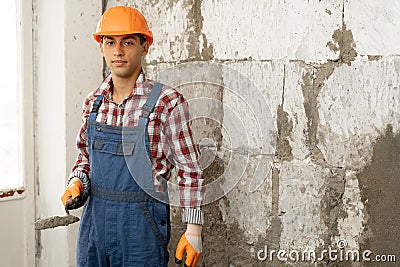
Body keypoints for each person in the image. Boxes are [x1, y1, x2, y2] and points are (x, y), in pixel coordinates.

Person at [61, 6, 205, 267]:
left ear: (144, 46)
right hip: (95, 228)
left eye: (128, 42)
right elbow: (85, 159)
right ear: (101, 47)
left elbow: (189, 170)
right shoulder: (93, 103)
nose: (118, 51)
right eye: (110, 42)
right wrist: (77, 182)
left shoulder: (166, 102)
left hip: (142, 229)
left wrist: (193, 230)